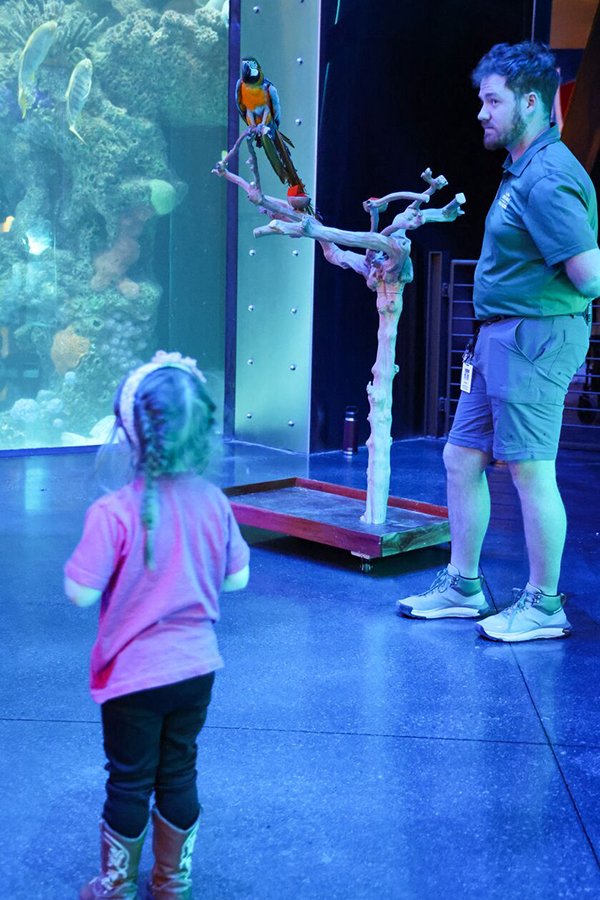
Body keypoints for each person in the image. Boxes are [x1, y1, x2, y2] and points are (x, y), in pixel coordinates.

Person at [397, 41, 600, 641]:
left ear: (531, 102)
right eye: (481, 100)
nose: (482, 113)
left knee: (530, 471)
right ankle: (464, 586)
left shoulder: (548, 177)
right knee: (461, 458)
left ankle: (544, 604)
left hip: (533, 338)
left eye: (493, 100)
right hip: (501, 339)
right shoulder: (522, 170)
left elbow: (589, 277)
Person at [64, 350, 250, 900]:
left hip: (133, 679)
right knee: (179, 773)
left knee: (128, 778)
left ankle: (115, 884)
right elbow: (236, 580)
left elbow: (81, 592)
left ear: (129, 433)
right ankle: (172, 882)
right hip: (196, 669)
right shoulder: (215, 502)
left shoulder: (113, 512)